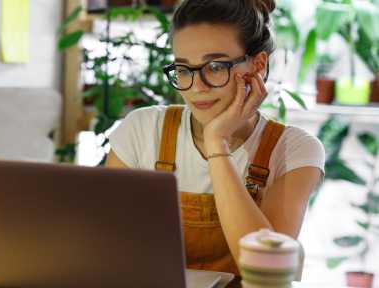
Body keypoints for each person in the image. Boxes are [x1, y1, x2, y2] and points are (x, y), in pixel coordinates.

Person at [105, 0, 325, 276]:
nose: (197, 87)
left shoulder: (294, 150)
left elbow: (267, 271)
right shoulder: (143, 129)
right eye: (184, 70)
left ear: (257, 65)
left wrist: (217, 145)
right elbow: (106, 248)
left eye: (215, 67)